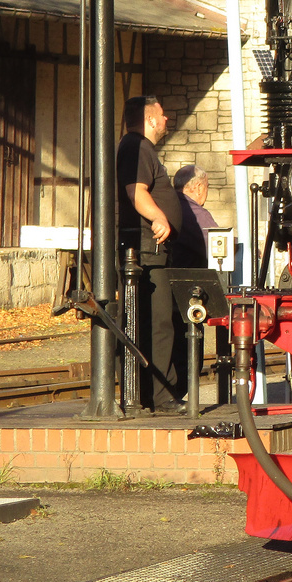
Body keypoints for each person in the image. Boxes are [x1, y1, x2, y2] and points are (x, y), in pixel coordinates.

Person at [116, 95, 183, 414]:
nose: (167, 120)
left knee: (152, 320)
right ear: (150, 119)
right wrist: (159, 217)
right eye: (162, 114)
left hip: (149, 250)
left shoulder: (136, 147)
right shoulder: (138, 146)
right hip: (146, 250)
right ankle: (160, 396)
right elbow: (137, 191)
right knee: (157, 322)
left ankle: (151, 392)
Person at [172, 164, 218, 269]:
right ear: (199, 187)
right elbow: (216, 244)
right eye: (207, 186)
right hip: (191, 279)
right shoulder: (196, 213)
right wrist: (246, 246)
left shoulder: (169, 204)